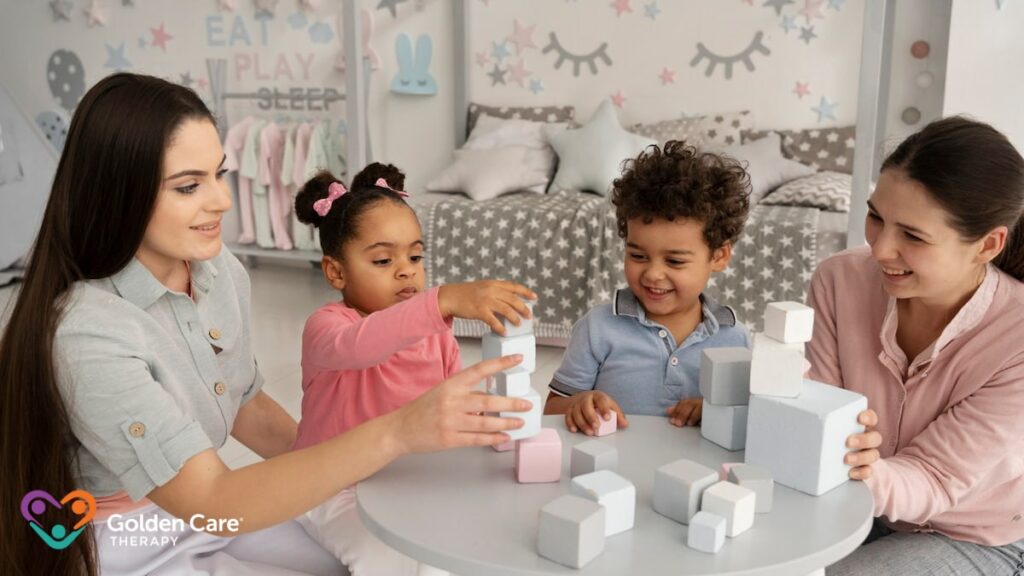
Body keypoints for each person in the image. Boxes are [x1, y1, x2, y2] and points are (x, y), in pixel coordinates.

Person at [0, 72, 532, 576]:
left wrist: (346, 487)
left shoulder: (215, 271)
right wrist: (396, 433)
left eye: (219, 173)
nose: (222, 200)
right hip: (125, 539)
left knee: (378, 553)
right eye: (189, 186)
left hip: (210, 513)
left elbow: (243, 401)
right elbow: (209, 502)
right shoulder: (87, 335)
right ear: (120, 193)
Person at [290, 164, 536, 575]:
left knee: (462, 544)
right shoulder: (328, 328)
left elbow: (453, 399)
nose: (407, 270)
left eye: (416, 256)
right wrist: (439, 302)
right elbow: (362, 346)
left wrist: (494, 413)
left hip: (410, 479)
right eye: (384, 260)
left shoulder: (434, 334)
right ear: (336, 271)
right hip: (332, 487)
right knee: (384, 557)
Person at [807, 117, 1024, 575]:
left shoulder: (1016, 337)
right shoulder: (838, 280)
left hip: (975, 533)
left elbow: (935, 479)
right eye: (876, 217)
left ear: (987, 244)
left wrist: (860, 464)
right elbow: (816, 416)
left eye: (912, 235)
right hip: (859, 504)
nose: (881, 249)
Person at [544, 140, 751, 434]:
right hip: (609, 474)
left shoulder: (735, 339)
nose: (653, 274)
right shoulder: (597, 328)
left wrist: (715, 411)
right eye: (638, 256)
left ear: (718, 256)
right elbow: (552, 409)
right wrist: (580, 404)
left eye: (675, 261)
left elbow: (747, 421)